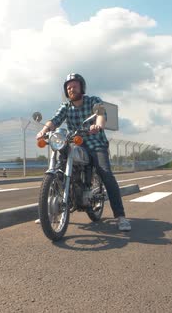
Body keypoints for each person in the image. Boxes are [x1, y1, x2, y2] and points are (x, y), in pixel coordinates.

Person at [36, 73, 131, 231]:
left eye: (74, 86)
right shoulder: (65, 107)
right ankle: (47, 214)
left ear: (82, 87)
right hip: (75, 143)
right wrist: (44, 131)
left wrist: (98, 125)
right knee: (59, 169)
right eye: (68, 88)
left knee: (105, 172)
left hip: (95, 142)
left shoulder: (93, 100)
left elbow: (100, 114)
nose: (71, 89)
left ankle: (120, 217)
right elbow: (55, 120)